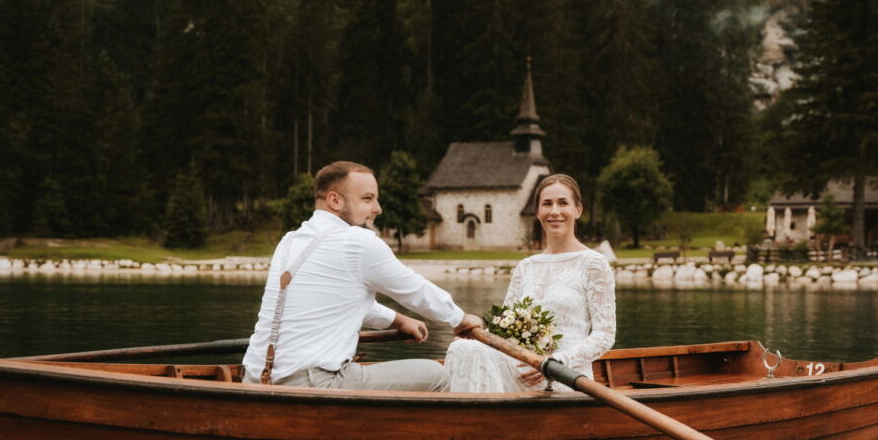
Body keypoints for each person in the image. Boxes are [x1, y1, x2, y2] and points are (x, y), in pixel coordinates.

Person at [242, 161, 483, 391]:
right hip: (312, 382)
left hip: (254, 377)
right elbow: (414, 290)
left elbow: (336, 298)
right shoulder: (357, 241)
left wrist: (398, 320)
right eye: (367, 199)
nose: (378, 208)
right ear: (335, 200)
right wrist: (460, 319)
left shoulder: (290, 241)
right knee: (437, 376)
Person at [446, 174, 615, 392]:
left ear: (578, 210)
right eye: (547, 204)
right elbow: (502, 330)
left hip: (565, 373)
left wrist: (555, 362)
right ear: (538, 212)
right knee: (463, 348)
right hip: (521, 366)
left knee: (469, 352)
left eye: (563, 203)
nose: (554, 211)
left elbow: (605, 335)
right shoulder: (526, 266)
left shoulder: (594, 263)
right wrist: (476, 336)